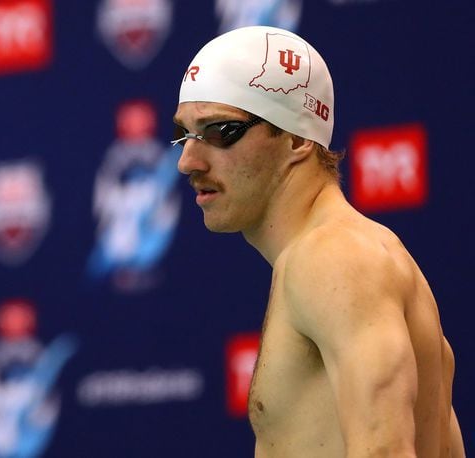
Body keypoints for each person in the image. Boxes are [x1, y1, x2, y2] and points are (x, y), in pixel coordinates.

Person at [173, 26, 465, 457]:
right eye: (184, 133)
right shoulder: (357, 253)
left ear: (297, 138)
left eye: (220, 131)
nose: (187, 161)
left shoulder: (335, 258)